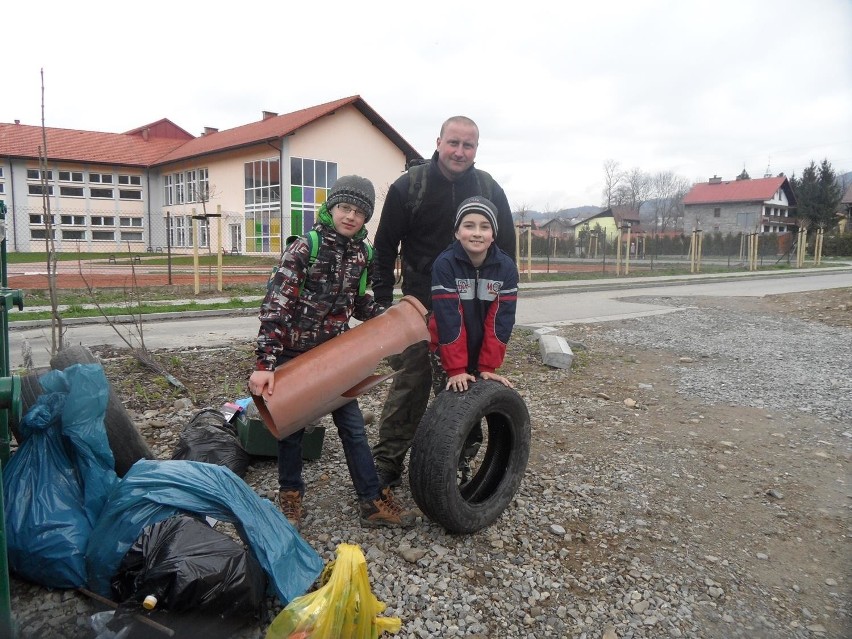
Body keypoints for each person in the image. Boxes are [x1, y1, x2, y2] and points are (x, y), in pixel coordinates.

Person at [248, 175, 414, 530]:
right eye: (344, 207)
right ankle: (290, 496)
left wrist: (389, 319)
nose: (351, 216)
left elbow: (359, 303)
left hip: (335, 355)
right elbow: (275, 306)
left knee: (353, 428)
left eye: (359, 212)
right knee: (292, 428)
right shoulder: (304, 248)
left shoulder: (363, 253)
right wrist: (266, 364)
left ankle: (371, 500)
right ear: (331, 208)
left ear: (366, 217)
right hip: (293, 352)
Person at [371, 115, 516, 488]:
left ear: (476, 149)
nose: (459, 151)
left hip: (471, 306)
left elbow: (507, 253)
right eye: (453, 143)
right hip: (419, 306)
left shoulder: (489, 189)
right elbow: (384, 250)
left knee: (463, 389)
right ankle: (387, 463)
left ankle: (459, 461)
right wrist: (383, 307)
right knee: (410, 385)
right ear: (438, 142)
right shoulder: (409, 188)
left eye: (468, 145)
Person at [429, 196, 518, 394]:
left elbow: (500, 322)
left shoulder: (506, 268)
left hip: (482, 349)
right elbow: (449, 319)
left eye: (485, 227)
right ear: (457, 232)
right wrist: (456, 368)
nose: (477, 233)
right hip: (446, 349)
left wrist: (488, 365)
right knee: (451, 405)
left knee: (478, 402)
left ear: (493, 234)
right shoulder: (445, 265)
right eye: (469, 225)